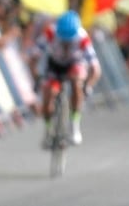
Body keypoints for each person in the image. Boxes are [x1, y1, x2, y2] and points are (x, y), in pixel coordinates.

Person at [30, 10, 102, 147]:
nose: (66, 43)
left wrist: (88, 86)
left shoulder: (82, 37)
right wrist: (36, 78)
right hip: (55, 66)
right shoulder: (50, 33)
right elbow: (33, 58)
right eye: (63, 39)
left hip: (74, 64)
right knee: (49, 93)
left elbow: (96, 69)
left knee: (76, 81)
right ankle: (48, 130)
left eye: (69, 40)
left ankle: (74, 126)